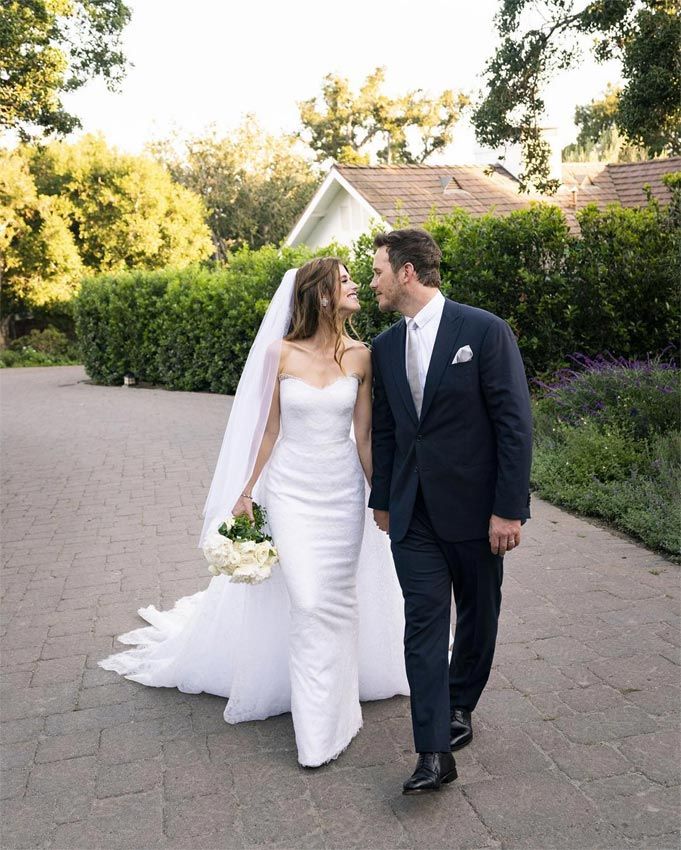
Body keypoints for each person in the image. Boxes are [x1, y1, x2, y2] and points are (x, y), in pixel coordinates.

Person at [98, 257, 408, 768]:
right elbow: (267, 431)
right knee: (308, 601)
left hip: (342, 496)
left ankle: (340, 710)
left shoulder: (361, 356)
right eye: (346, 280)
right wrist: (244, 492)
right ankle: (317, 735)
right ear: (322, 296)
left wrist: (383, 497)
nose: (357, 285)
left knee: (337, 601)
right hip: (290, 492)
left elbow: (365, 437)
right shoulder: (278, 354)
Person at [368, 228, 533, 794]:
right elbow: (388, 431)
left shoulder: (484, 331)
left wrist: (508, 510)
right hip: (412, 516)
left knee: (479, 616)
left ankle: (462, 702)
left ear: (407, 272)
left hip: (477, 512)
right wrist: (384, 499)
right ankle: (433, 750)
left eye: (378, 272)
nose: (374, 283)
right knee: (423, 623)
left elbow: (514, 425)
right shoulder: (385, 346)